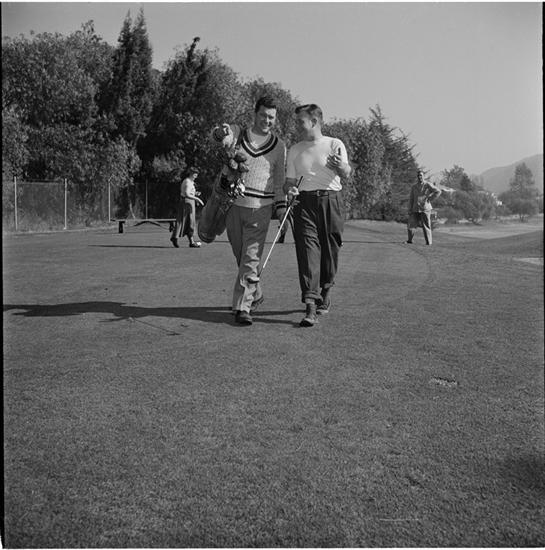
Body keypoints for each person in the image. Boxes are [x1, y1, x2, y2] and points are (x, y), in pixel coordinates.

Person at [211, 96, 287, 326]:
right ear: (255, 114)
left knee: (251, 258)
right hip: (233, 206)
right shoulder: (239, 133)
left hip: (261, 209)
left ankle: (242, 307)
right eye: (263, 115)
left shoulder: (279, 146)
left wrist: (281, 209)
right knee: (241, 256)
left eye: (271, 117)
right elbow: (220, 136)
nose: (267, 120)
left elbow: (279, 182)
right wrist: (222, 133)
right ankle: (256, 293)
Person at [284, 104, 351, 327]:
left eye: (300, 121)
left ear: (314, 121)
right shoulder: (295, 149)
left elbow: (346, 173)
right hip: (304, 204)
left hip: (331, 200)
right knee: (307, 251)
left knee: (330, 249)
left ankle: (326, 289)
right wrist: (290, 189)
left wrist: (340, 167)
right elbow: (289, 182)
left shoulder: (334, 144)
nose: (296, 125)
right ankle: (311, 305)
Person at [170, 170, 204, 248]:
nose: (196, 176)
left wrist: (195, 193)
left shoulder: (190, 182)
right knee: (183, 221)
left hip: (189, 202)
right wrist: (197, 199)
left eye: (197, 174)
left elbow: (189, 192)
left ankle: (191, 242)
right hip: (186, 203)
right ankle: (175, 237)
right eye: (195, 174)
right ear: (191, 174)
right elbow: (187, 194)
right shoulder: (187, 182)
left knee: (190, 222)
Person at [406, 170, 441, 246]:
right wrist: (409, 209)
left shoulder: (428, 184)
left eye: (421, 175)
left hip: (425, 208)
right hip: (415, 208)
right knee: (411, 224)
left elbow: (438, 191)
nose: (419, 177)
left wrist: (430, 198)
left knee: (426, 226)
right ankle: (409, 240)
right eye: (418, 175)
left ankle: (429, 242)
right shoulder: (414, 187)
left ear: (423, 176)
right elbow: (411, 199)